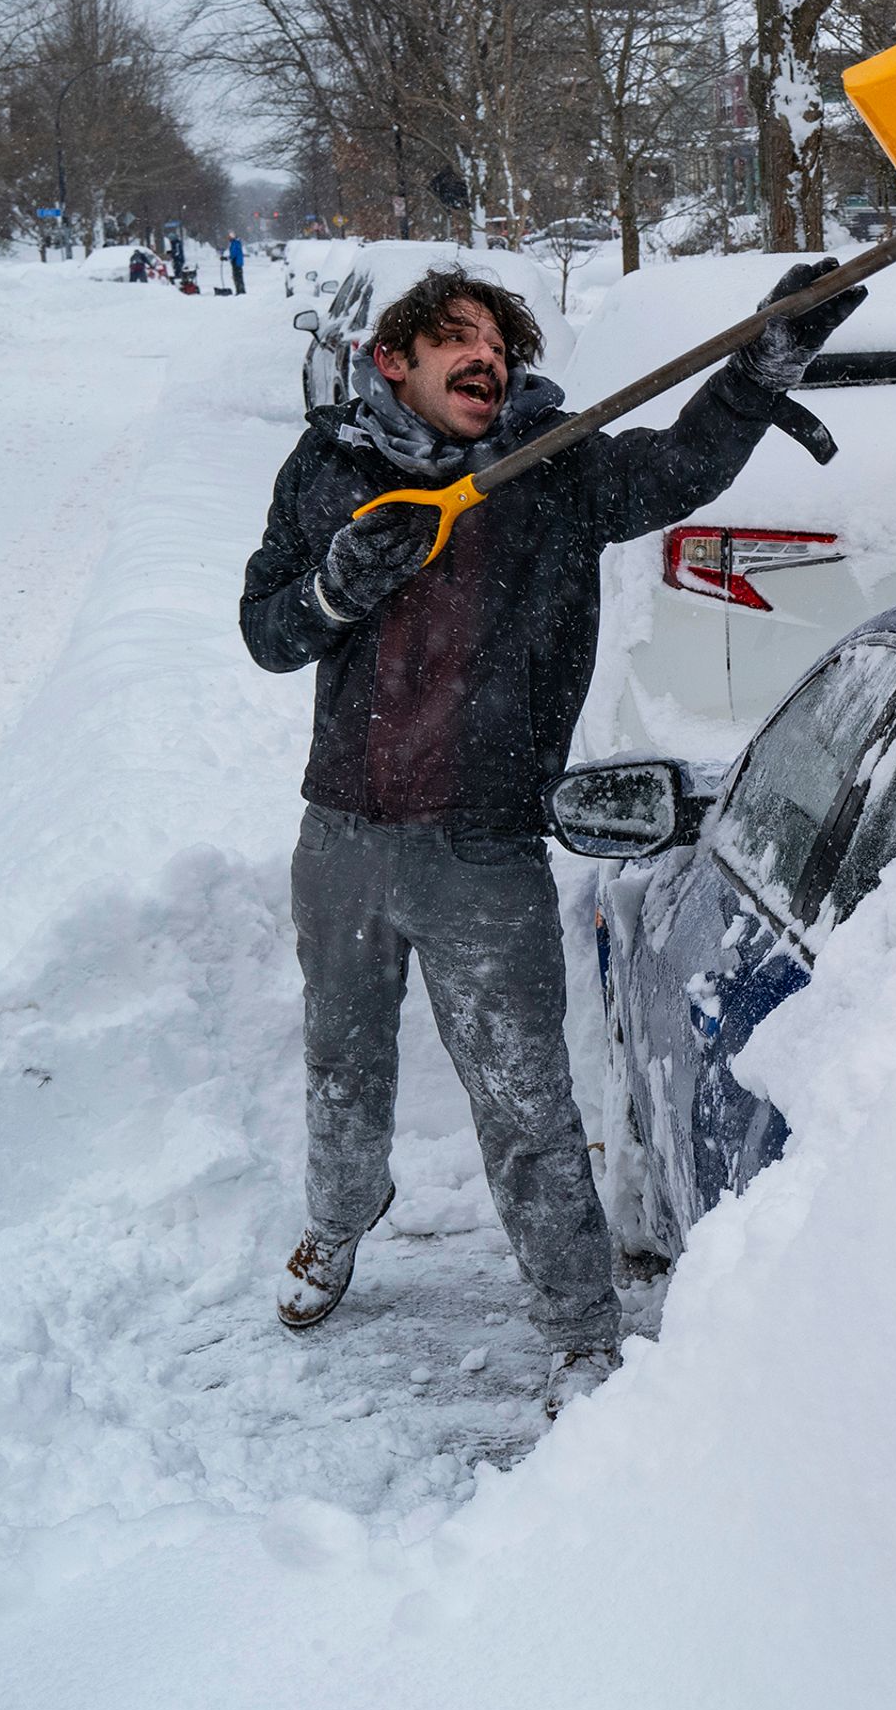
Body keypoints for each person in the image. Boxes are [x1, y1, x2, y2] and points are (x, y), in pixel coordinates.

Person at [238, 261, 863, 1357]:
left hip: (483, 853)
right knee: (343, 1061)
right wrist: (339, 583)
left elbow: (679, 467)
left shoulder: (551, 471)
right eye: (459, 340)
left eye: (501, 347)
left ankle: (580, 1333)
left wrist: (763, 363)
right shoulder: (327, 466)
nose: (487, 359)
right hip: (340, 835)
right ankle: (338, 1222)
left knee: (528, 1106)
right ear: (395, 359)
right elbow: (268, 631)